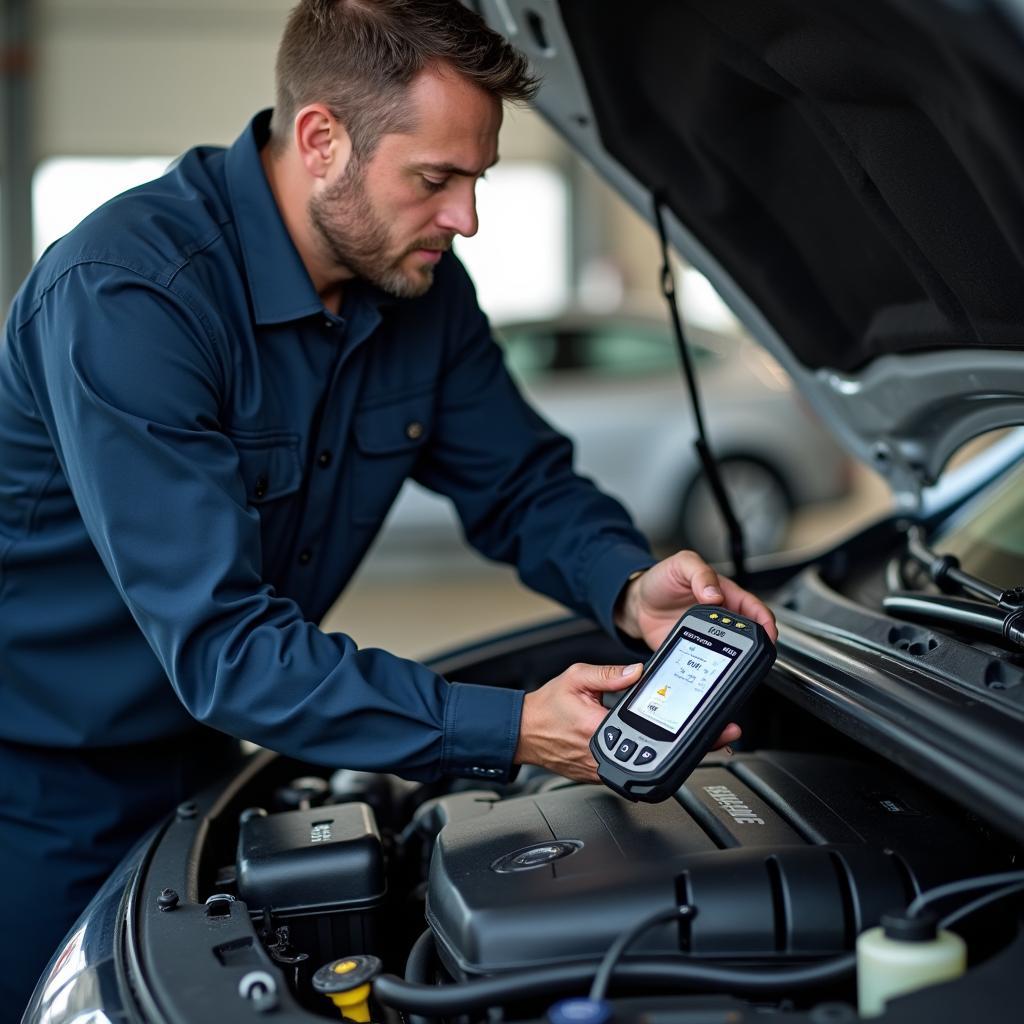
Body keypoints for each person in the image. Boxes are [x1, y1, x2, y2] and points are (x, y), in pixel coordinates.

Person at [0, 0, 776, 1014]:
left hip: (204, 760)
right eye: (434, 179)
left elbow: (522, 482)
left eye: (478, 179)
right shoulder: (131, 298)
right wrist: (509, 728)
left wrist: (628, 587)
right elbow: (227, 648)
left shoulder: (420, 290)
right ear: (322, 139)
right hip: (36, 781)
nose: (466, 219)